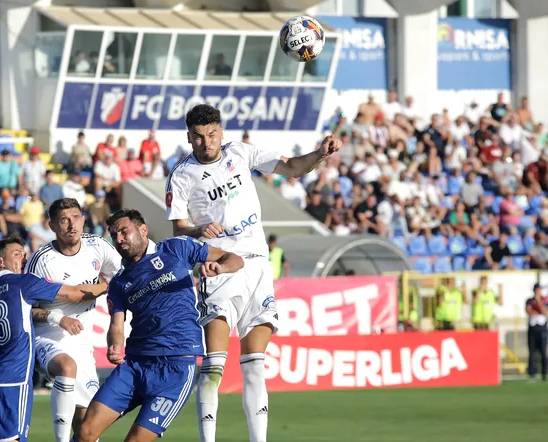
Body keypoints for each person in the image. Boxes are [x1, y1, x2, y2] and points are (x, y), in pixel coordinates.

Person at [164, 104, 340, 442]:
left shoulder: (241, 153)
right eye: (199, 136)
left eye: (212, 134)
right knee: (214, 366)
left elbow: (292, 168)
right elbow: (178, 228)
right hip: (219, 266)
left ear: (221, 131)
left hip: (258, 264)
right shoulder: (182, 174)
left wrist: (320, 153)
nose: (206, 142)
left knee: (256, 364)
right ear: (189, 136)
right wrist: (198, 228)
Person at [72, 209, 245, 442]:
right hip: (134, 366)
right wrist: (114, 346)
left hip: (176, 367)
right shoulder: (120, 283)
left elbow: (235, 259)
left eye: (124, 231)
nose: (120, 239)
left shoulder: (176, 248)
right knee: (85, 432)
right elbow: (117, 324)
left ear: (143, 229)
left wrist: (220, 268)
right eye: (115, 235)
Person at [0, 236, 109, 442]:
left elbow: (24, 315)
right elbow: (75, 294)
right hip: (13, 379)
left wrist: (55, 317)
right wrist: (108, 285)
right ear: (0, 262)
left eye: (24, 254)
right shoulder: (23, 282)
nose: (24, 258)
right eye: (17, 254)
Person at [24, 198, 122, 442]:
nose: (71, 225)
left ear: (83, 219)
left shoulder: (97, 246)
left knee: (87, 422)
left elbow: (121, 278)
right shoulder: (42, 261)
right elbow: (25, 310)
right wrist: (58, 318)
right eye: (64, 220)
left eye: (76, 218)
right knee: (67, 367)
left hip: (82, 342)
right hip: (48, 337)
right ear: (52, 226)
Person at [526, 284, 548, 381]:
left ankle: (544, 372)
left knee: (543, 351)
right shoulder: (529, 300)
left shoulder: (544, 300)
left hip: (542, 327)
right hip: (532, 327)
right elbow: (529, 311)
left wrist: (539, 302)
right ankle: (532, 372)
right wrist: (538, 311)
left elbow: (545, 311)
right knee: (532, 351)